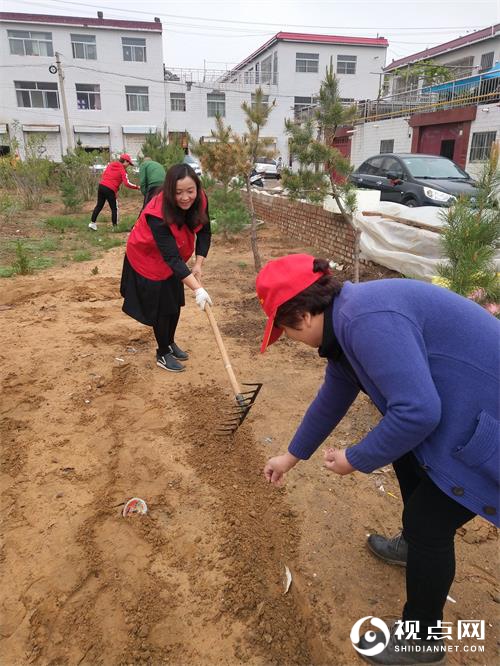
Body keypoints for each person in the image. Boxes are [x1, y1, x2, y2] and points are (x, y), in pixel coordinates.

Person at [257, 254, 499, 666]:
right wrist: (290, 457)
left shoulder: (366, 319)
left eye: (283, 331)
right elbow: (331, 400)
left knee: (429, 521)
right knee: (406, 454)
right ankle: (413, 546)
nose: (290, 339)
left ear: (300, 316)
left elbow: (419, 411)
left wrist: (356, 457)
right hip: (467, 412)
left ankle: (422, 640)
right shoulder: (347, 323)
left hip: (486, 427)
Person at [120, 163, 212, 372]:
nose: (185, 197)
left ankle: (169, 342)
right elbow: (170, 258)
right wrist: (198, 290)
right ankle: (162, 352)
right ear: (170, 191)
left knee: (174, 302)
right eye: (178, 192)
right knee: (161, 307)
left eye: (190, 191)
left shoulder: (200, 199)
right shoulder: (157, 213)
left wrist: (198, 264)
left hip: (173, 256)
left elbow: (205, 231)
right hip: (147, 257)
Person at [89, 153, 140, 231]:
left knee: (99, 205)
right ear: (125, 161)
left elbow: (104, 174)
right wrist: (137, 187)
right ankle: (115, 227)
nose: (128, 165)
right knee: (114, 208)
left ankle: (92, 223)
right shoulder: (122, 170)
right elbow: (127, 183)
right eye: (129, 163)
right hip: (110, 189)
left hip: (101, 186)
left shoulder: (111, 164)